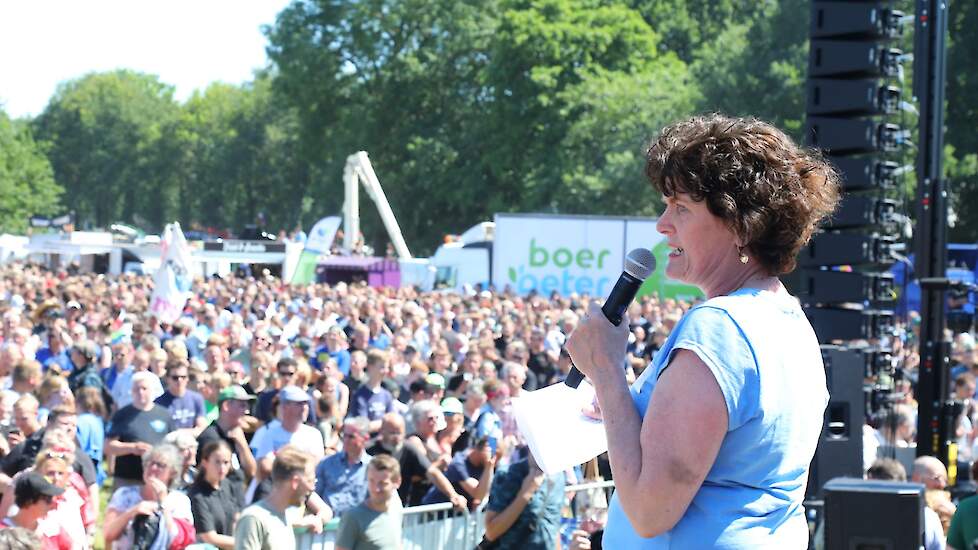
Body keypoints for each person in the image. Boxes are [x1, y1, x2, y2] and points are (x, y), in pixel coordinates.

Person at [565, 114, 840, 546]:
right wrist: (628, 407)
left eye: (681, 208)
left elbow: (649, 512)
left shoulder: (720, 328)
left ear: (739, 225)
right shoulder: (788, 319)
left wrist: (607, 373)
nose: (662, 224)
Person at [103, 444, 196, 549]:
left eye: (160, 465)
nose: (153, 468)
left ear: (172, 472)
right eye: (150, 463)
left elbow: (177, 540)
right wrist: (133, 511)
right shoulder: (124, 494)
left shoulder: (179, 501)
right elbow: (108, 534)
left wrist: (163, 503)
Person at [234, 445, 316, 550]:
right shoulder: (253, 519)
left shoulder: (283, 517)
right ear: (295, 482)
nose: (312, 488)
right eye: (310, 481)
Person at [105, 371, 175, 488]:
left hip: (156, 478)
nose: (140, 392)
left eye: (144, 388)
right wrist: (132, 448)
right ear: (131, 391)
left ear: (152, 390)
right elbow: (108, 446)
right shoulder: (122, 414)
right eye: (136, 389)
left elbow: (172, 446)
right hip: (127, 478)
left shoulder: (164, 414)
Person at [483, 455, 566, 549]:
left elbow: (554, 525)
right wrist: (526, 493)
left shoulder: (559, 476)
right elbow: (491, 532)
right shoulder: (508, 474)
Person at [335, 454, 403, 550]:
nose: (376, 489)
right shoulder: (353, 517)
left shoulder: (396, 510)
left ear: (397, 482)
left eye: (382, 483)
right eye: (371, 481)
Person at [196, 385, 258, 490]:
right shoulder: (210, 438)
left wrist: (242, 444)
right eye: (242, 405)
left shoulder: (238, 435)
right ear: (226, 406)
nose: (247, 411)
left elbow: (252, 472)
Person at [188, 441, 244, 550]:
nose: (222, 468)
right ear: (205, 462)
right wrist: (244, 541)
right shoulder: (197, 495)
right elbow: (209, 537)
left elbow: (236, 517)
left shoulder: (227, 485)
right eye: (217, 462)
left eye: (226, 462)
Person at [314, 417, 373, 518]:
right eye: (344, 435)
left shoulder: (373, 467)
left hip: (358, 527)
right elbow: (314, 495)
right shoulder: (326, 464)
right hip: (329, 526)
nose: (346, 440)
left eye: (351, 437)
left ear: (365, 439)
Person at [0, 472, 71, 550]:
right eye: (48, 499)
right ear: (29, 501)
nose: (53, 504)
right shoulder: (2, 534)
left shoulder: (53, 530)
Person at [155, 362, 207, 434]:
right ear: (167, 379)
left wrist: (179, 432)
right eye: (175, 378)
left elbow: (201, 427)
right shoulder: (158, 403)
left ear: (187, 379)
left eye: (183, 377)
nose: (179, 380)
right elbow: (159, 430)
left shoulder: (197, 399)